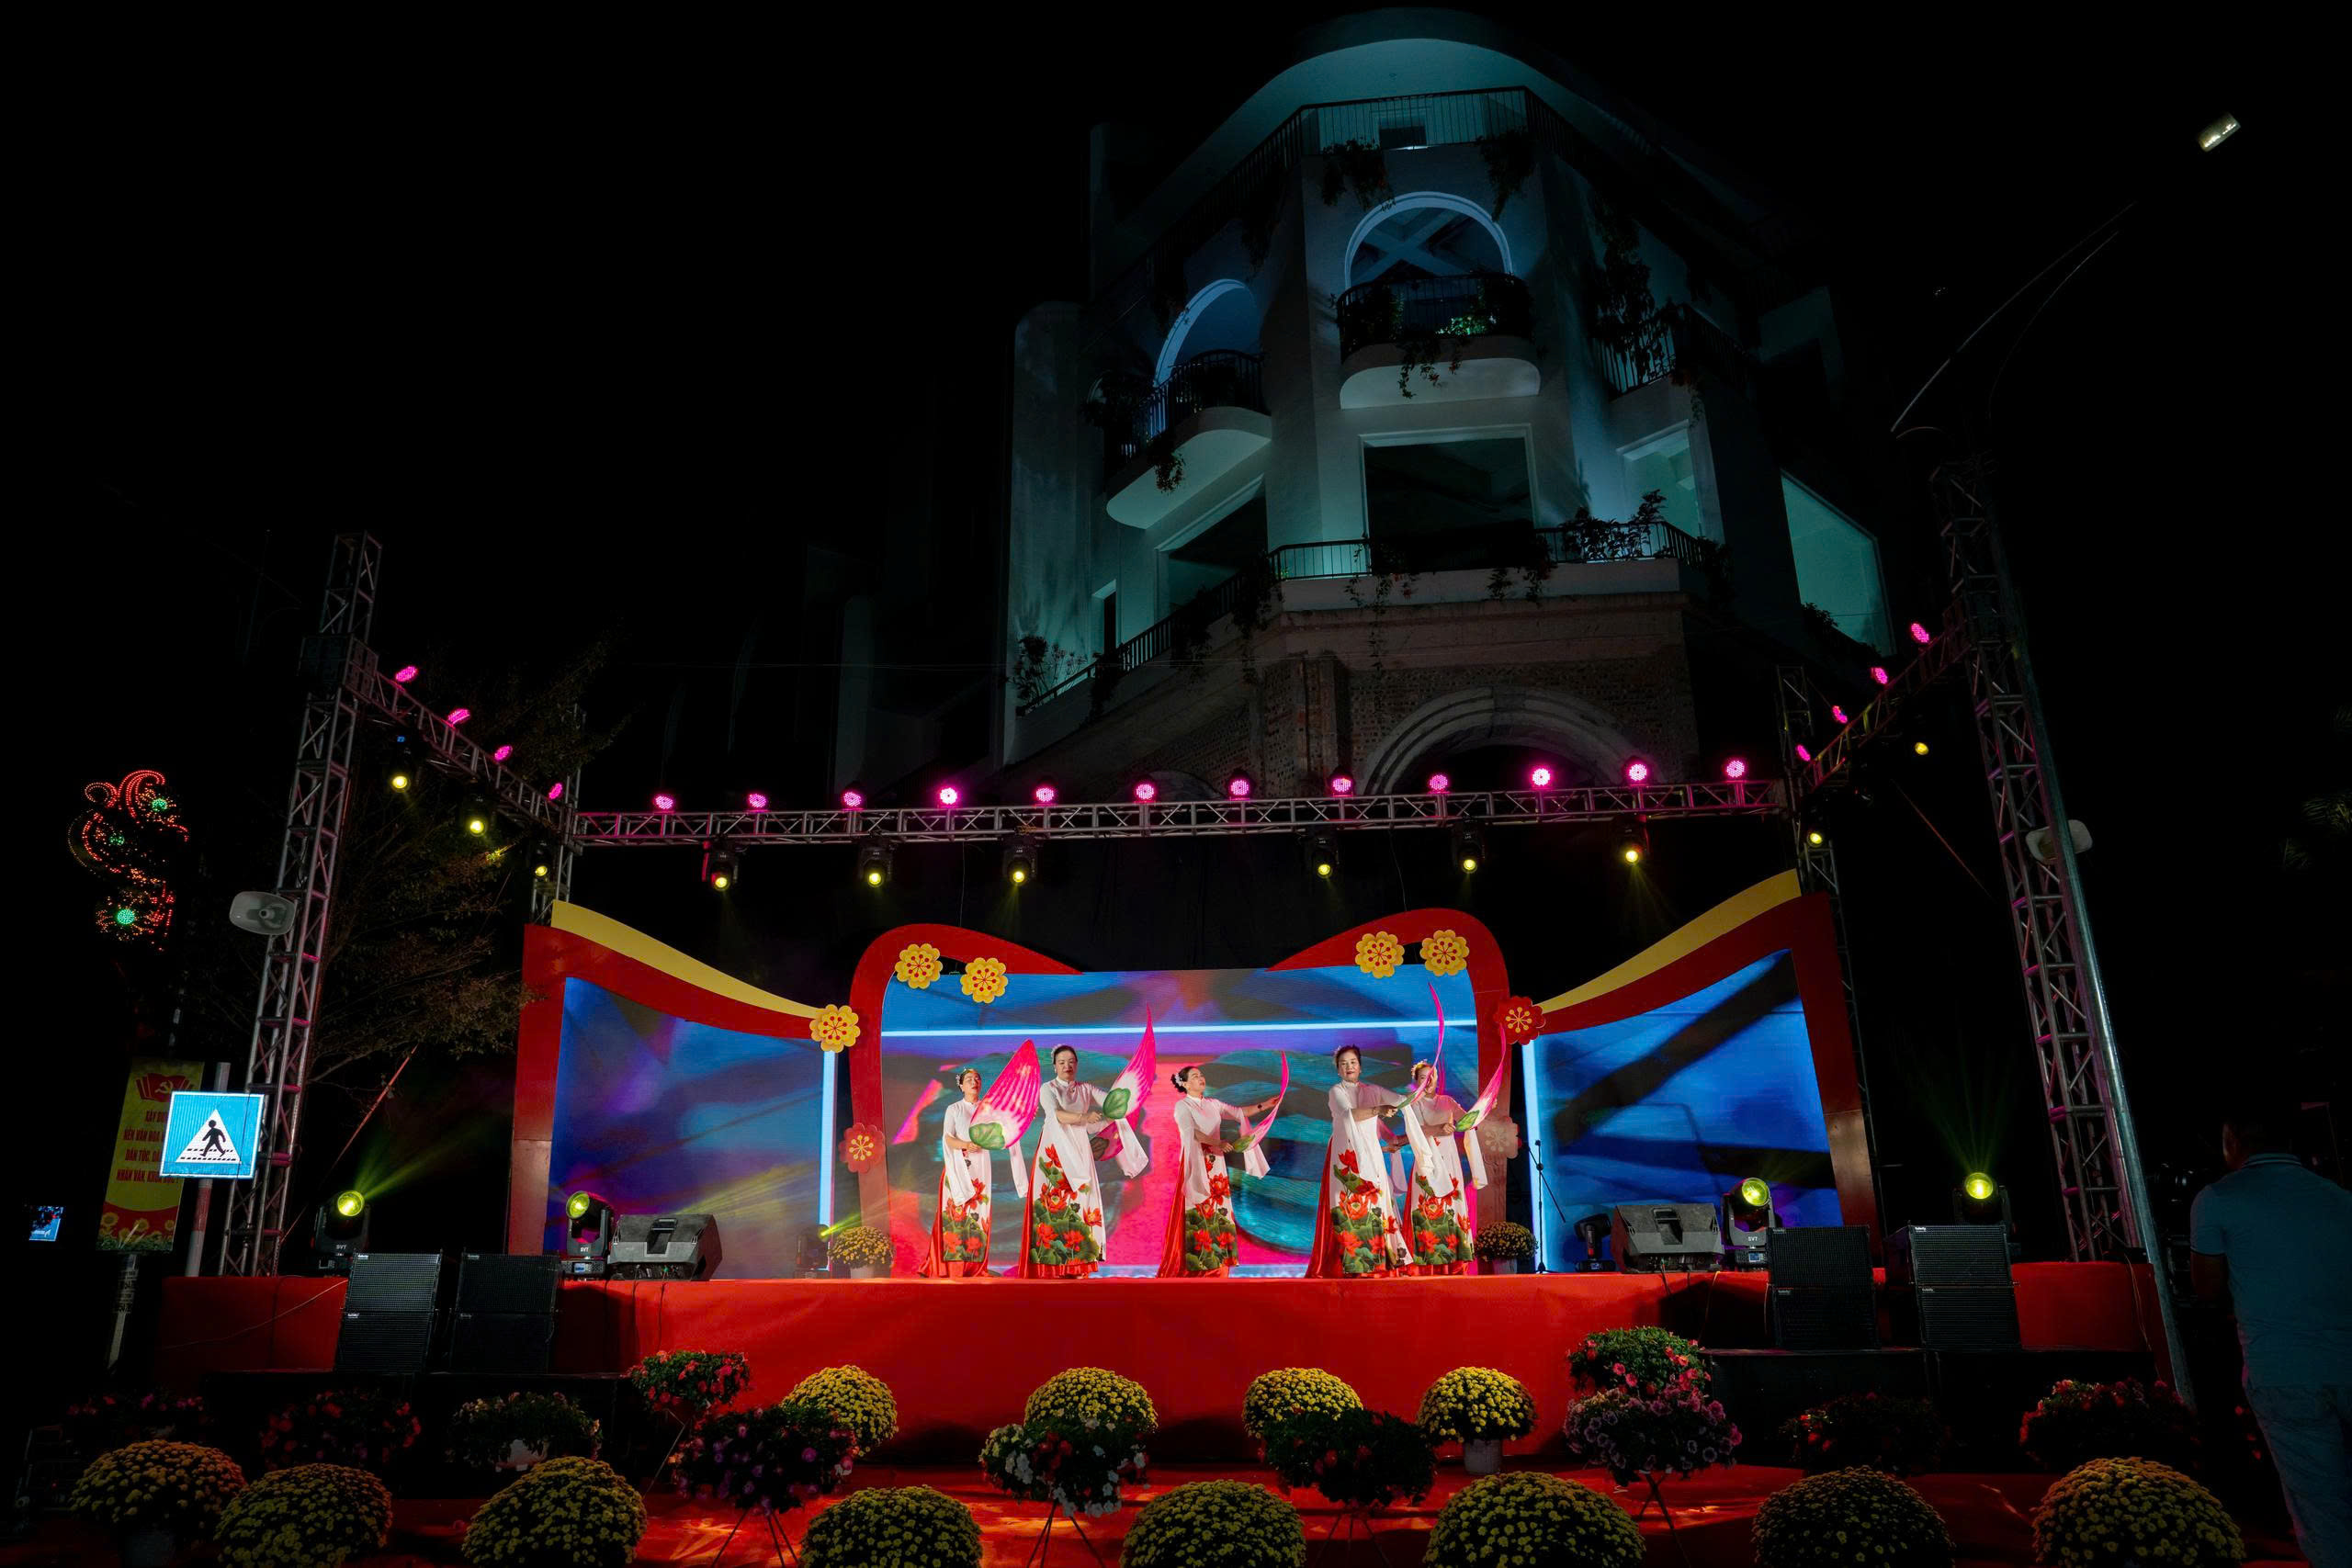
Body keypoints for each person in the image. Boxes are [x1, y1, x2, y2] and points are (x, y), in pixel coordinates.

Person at [2190, 1092, 2352, 1568]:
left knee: (2321, 1508)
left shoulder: (2217, 1198)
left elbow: (2206, 1289)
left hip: (2282, 1370)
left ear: (2231, 1139)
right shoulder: (2339, 1198)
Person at [1157, 1065, 1280, 1278]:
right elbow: (1193, 1133)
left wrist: (1265, 1105)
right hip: (1196, 1163)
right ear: (1184, 1084)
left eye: (1201, 1075)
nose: (1201, 1078)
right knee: (1200, 1210)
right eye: (1195, 1076)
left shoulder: (1213, 1104)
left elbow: (1239, 1113)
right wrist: (1218, 1143)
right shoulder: (1182, 1106)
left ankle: (1218, 1266)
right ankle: (1198, 1267)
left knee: (1219, 1210)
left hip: (1216, 1164)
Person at [1306, 1045, 1415, 1278]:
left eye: (1353, 1062)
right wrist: (1378, 1109)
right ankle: (1351, 1266)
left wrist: (1423, 1088)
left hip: (1372, 1155)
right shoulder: (1336, 1091)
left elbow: (1402, 1101)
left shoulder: (1373, 1090)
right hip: (1345, 1155)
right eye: (1344, 1064)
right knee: (1348, 1205)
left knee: (1376, 1204)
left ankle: (1379, 1264)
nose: (1349, 1067)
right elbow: (1349, 1114)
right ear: (1338, 1070)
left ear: (1360, 1067)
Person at [1019, 1045, 1114, 1278]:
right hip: (1054, 1148)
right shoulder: (1047, 1088)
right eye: (1061, 1062)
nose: (1067, 1066)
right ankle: (1050, 1265)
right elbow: (1056, 1115)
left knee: (1080, 1201)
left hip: (1079, 1146)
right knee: (1053, 1201)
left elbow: (1112, 1102)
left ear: (1077, 1065)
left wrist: (1124, 1101)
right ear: (1054, 1067)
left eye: (1071, 1061)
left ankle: (1078, 1264)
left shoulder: (1086, 1088)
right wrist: (1085, 1117)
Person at [1385, 1059, 1486, 1276]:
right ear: (1416, 1081)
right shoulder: (1413, 1104)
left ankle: (1453, 1263)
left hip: (1449, 1160)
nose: (1428, 1081)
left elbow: (1467, 1121)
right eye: (1423, 1078)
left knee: (1451, 1208)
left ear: (1437, 1079)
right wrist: (1440, 1128)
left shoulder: (1447, 1101)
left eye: (1431, 1077)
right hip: (1426, 1161)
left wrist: (1483, 1109)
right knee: (1425, 1208)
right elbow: (1415, 1132)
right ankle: (1424, 1265)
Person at [920, 1068, 1000, 1279]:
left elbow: (1004, 1131)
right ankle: (953, 1267)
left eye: (977, 1078)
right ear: (961, 1086)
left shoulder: (988, 1109)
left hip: (981, 1167)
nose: (974, 1081)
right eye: (969, 1079)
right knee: (956, 1215)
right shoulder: (954, 1109)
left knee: (978, 1215)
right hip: (959, 1166)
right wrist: (965, 1144)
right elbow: (948, 1138)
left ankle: (975, 1267)